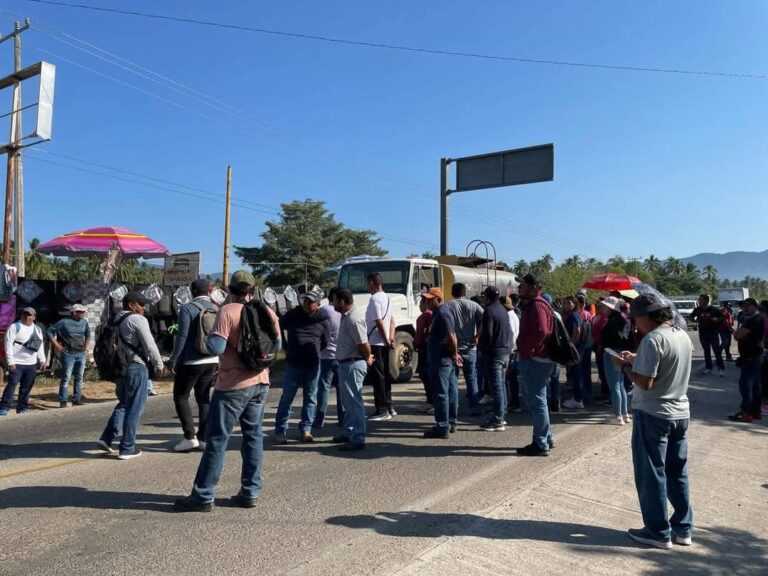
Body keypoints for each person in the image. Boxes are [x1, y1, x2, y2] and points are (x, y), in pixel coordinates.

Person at [174, 270, 281, 512]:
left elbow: (216, 347)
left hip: (232, 385)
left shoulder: (228, 311)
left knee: (217, 439)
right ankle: (250, 492)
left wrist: (214, 334)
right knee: (253, 437)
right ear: (253, 290)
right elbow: (278, 344)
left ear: (231, 290)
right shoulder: (267, 311)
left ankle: (203, 496)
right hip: (260, 382)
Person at [612, 293, 693, 550]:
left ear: (647, 316)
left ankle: (657, 531)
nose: (635, 324)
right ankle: (683, 528)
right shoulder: (681, 334)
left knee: (651, 473)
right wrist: (637, 358)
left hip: (654, 413)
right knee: (677, 472)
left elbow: (645, 383)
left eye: (635, 319)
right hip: (680, 412)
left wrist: (624, 367)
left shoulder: (652, 339)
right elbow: (667, 363)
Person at [97, 292, 164, 460]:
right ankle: (127, 448)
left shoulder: (114, 319)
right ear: (131, 304)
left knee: (125, 403)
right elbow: (150, 345)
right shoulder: (137, 319)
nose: (144, 308)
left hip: (119, 368)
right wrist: (159, 364)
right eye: (141, 304)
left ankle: (107, 437)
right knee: (135, 407)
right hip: (136, 366)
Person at [166, 279, 219, 452]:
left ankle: (189, 437)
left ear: (191, 291)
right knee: (203, 398)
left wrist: (173, 359)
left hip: (191, 360)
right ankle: (203, 438)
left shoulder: (187, 308)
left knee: (181, 396)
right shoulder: (216, 308)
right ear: (208, 291)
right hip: (212, 359)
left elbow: (182, 336)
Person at [274, 289, 329, 444]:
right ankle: (280, 431)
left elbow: (325, 341)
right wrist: (285, 346)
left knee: (310, 397)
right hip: (293, 363)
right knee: (287, 398)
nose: (307, 303)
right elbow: (278, 327)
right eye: (305, 300)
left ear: (318, 304)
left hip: (313, 364)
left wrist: (315, 352)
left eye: (311, 301)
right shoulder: (293, 314)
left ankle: (306, 429)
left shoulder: (323, 319)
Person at [516, 274, 555, 456]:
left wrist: (528, 350)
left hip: (536, 360)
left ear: (533, 288)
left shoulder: (537, 305)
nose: (519, 288)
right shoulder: (535, 304)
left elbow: (543, 331)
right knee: (539, 400)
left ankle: (540, 443)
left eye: (522, 285)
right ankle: (547, 438)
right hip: (537, 359)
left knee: (537, 401)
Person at [330, 288, 373, 450]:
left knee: (354, 403)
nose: (332, 303)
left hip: (352, 364)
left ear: (342, 301)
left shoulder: (354, 319)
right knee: (348, 403)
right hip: (345, 364)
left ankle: (357, 437)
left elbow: (363, 344)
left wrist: (367, 358)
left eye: (334, 300)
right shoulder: (346, 317)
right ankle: (349, 432)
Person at [422, 287, 459, 438]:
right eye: (426, 299)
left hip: (442, 359)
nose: (427, 302)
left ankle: (443, 425)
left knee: (441, 393)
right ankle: (450, 422)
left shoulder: (442, 313)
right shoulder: (438, 313)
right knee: (450, 390)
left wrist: (454, 353)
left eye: (430, 299)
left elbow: (451, 336)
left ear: (438, 299)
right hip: (444, 358)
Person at [443, 283, 484, 414]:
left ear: (452, 292)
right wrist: (477, 336)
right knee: (471, 378)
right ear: (465, 292)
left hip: (454, 349)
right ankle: (474, 408)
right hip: (470, 348)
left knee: (453, 379)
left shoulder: (447, 306)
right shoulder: (474, 305)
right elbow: (486, 320)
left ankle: (453, 410)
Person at [0, 307, 46, 416]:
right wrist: (10, 362)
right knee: (12, 384)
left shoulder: (38, 329)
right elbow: (8, 345)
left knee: (27, 386)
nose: (27, 317)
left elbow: (40, 346)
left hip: (31, 364)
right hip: (17, 363)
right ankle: (4, 407)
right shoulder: (15, 327)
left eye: (30, 315)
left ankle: (22, 407)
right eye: (25, 314)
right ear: (21, 315)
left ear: (34, 317)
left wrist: (42, 359)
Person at [478, 286, 512, 432]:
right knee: (501, 385)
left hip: (494, 353)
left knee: (496, 387)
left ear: (487, 297)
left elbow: (488, 334)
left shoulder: (489, 311)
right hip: (505, 351)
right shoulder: (503, 310)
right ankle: (501, 413)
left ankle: (498, 419)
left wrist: (483, 350)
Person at [364, 273, 396, 421]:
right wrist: (390, 338)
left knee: (378, 377)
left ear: (372, 283)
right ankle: (389, 406)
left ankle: (382, 410)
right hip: (385, 342)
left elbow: (378, 321)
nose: (367, 287)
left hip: (376, 342)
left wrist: (385, 339)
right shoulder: (387, 298)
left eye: (367, 284)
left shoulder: (374, 299)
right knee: (385, 375)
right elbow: (392, 320)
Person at [728, 298, 764, 423]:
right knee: (755, 385)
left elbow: (738, 335)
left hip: (751, 357)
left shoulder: (755, 319)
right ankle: (756, 411)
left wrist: (736, 333)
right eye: (743, 306)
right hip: (756, 356)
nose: (744, 308)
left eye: (747, 306)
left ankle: (746, 413)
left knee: (746, 385)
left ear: (754, 306)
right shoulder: (757, 318)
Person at [48, 303, 90, 407]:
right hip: (69, 354)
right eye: (81, 312)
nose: (83, 313)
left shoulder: (84, 322)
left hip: (81, 353)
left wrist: (86, 346)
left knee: (79, 377)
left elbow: (88, 334)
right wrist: (57, 346)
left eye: (84, 312)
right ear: (74, 312)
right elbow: (49, 331)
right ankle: (63, 400)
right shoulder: (64, 322)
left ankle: (77, 399)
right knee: (66, 377)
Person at [599, 296, 632, 425]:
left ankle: (617, 415)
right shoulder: (623, 319)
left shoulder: (613, 321)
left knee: (614, 386)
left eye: (605, 306)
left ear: (611, 308)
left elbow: (610, 339)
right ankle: (624, 413)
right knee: (620, 385)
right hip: (622, 352)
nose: (602, 308)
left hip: (612, 353)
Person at [314, 287, 342, 429]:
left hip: (326, 355)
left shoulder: (324, 311)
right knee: (340, 388)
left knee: (324, 387)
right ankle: (342, 417)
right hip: (341, 354)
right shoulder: (342, 312)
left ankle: (319, 419)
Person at [689, 294, 725, 377]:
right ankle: (708, 368)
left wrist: (717, 320)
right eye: (699, 300)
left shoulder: (713, 309)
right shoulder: (697, 309)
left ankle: (721, 368)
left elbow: (723, 317)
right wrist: (695, 320)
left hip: (713, 332)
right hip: (703, 333)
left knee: (717, 351)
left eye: (701, 300)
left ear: (706, 301)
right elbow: (691, 317)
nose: (699, 301)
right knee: (706, 351)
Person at [562, 296, 585, 410]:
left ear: (574, 304)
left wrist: (571, 343)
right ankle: (577, 397)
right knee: (576, 373)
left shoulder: (574, 315)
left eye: (569, 303)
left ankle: (578, 399)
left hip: (576, 348)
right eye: (565, 303)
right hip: (577, 347)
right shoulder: (573, 314)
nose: (566, 305)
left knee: (577, 373)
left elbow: (577, 330)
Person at [414, 295, 434, 411]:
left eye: (420, 303)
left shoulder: (423, 317)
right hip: (434, 349)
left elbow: (419, 335)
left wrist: (416, 344)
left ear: (425, 304)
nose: (419, 306)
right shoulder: (434, 314)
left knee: (425, 375)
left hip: (424, 349)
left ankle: (431, 402)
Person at [504, 294, 521, 412]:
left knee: (508, 379)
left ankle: (511, 403)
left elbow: (512, 334)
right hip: (514, 350)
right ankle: (514, 402)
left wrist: (510, 349)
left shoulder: (509, 316)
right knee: (512, 379)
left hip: (511, 351)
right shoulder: (513, 314)